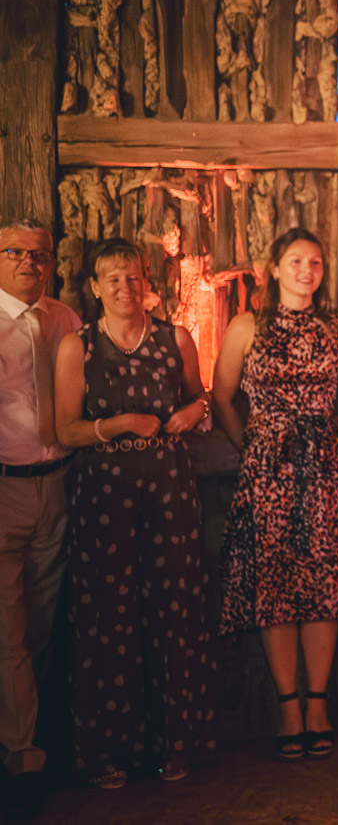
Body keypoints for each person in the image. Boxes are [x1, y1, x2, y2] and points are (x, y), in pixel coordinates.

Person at [53, 238, 215, 788]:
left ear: (147, 283)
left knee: (174, 610)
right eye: (113, 279)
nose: (125, 287)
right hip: (104, 497)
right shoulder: (78, 347)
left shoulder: (175, 338)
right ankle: (109, 752)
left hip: (170, 490)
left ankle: (175, 744)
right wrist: (119, 424)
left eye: (133, 277)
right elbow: (65, 430)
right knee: (108, 616)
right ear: (94, 287)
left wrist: (193, 411)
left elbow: (200, 397)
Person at [213, 227, 338, 762]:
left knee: (324, 582)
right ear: (276, 268)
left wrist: (329, 447)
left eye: (316, 262)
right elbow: (221, 397)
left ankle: (318, 704)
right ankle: (288, 708)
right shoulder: (247, 326)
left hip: (324, 469)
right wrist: (253, 445)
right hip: (266, 470)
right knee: (274, 586)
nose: (307, 270)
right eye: (297, 261)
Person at [0, 218, 80, 820]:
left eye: (41, 255)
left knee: (42, 622)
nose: (31, 262)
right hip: (4, 488)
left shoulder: (63, 319)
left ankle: (26, 736)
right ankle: (24, 759)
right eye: (15, 252)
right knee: (8, 629)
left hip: (57, 484)